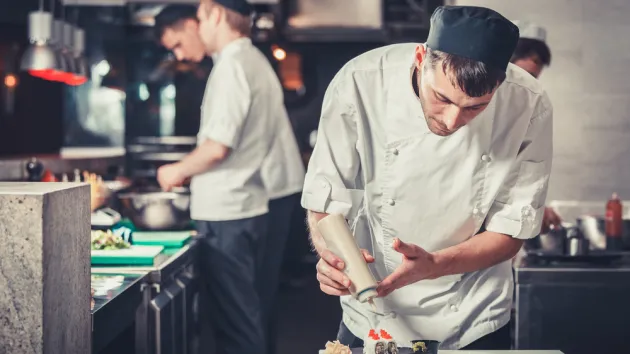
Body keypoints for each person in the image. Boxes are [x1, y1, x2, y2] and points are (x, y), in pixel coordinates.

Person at [302, 5, 552, 350]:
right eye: (442, 98)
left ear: (501, 84)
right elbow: (325, 201)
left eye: (474, 107)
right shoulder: (360, 82)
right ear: (421, 58)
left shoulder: (529, 103)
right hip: (373, 311)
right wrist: (331, 259)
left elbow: (512, 230)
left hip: (473, 313)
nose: (451, 121)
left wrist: (435, 264)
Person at [154, 6, 305, 352]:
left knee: (236, 325)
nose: (200, 26)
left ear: (214, 13)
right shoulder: (252, 61)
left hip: (228, 212)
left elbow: (217, 147)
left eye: (202, 18)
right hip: (247, 205)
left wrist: (175, 170)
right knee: (250, 315)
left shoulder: (231, 65)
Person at [511, 20, 562, 234]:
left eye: (535, 79)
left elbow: (522, 169)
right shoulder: (480, 103)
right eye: (526, 77)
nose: (529, 87)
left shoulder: (528, 108)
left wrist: (537, 207)